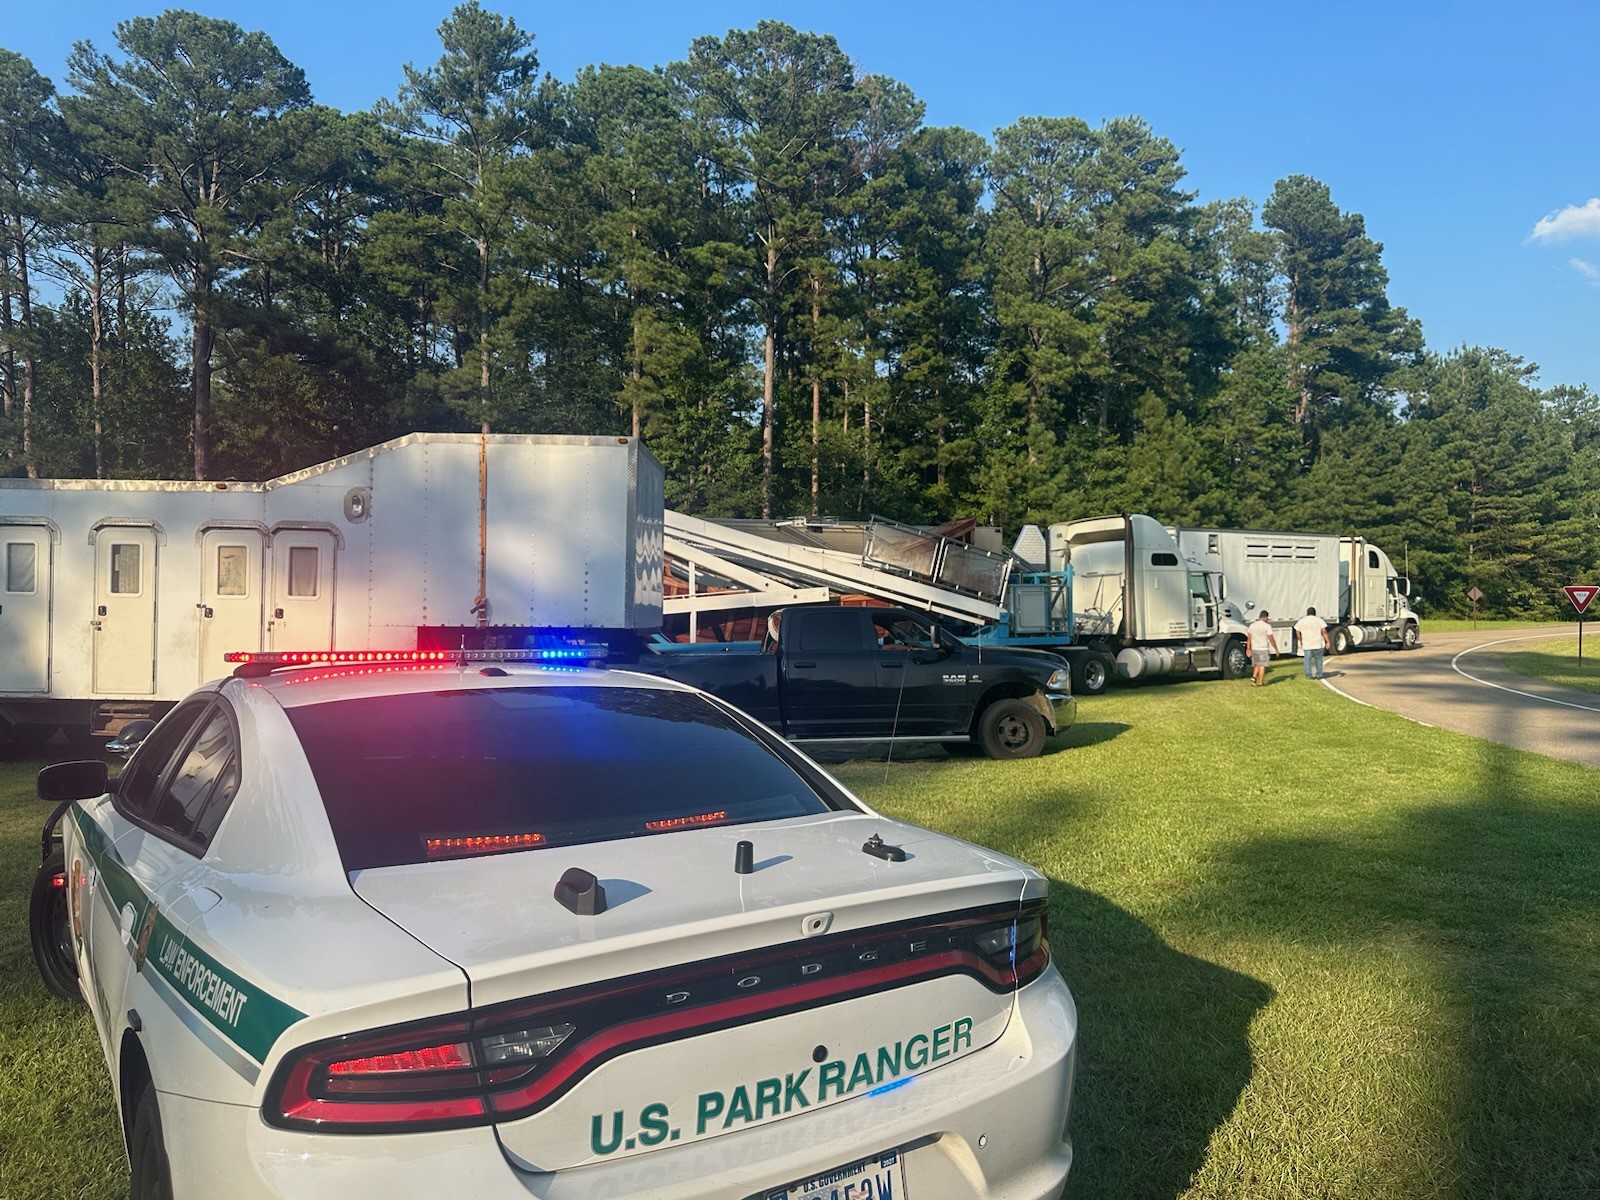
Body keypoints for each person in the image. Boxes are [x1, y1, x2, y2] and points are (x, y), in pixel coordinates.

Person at [1294, 607, 1331, 680]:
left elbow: (1297, 631)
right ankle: (1319, 674)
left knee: (1307, 660)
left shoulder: (1301, 621)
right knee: (1319, 660)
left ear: (1307, 613)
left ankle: (1308, 675)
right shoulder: (1319, 620)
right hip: (1317, 644)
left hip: (1307, 645)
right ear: (1315, 613)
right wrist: (1328, 641)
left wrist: (1300, 640)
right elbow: (1324, 631)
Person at [1246, 610, 1278, 687]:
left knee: (1257, 664)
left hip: (1254, 648)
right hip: (1263, 648)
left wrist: (1248, 649)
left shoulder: (1252, 626)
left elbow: (1249, 638)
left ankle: (1253, 677)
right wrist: (1276, 649)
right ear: (1265, 617)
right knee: (1262, 666)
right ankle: (1260, 682)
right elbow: (1271, 638)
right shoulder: (1267, 626)